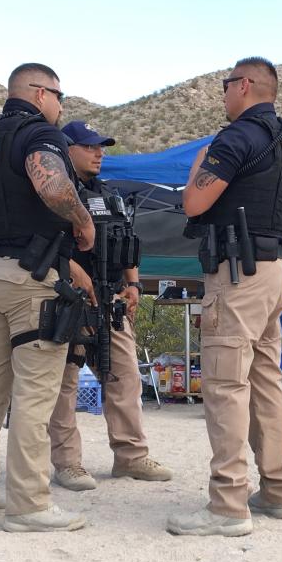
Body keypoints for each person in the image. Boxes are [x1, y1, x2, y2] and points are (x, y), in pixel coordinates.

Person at [0, 63, 96, 532]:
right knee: (36, 393)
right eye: (59, 95)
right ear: (39, 93)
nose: (60, 105)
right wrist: (82, 221)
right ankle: (29, 505)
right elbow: (52, 184)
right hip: (29, 276)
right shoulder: (39, 134)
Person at [167, 57, 282, 537]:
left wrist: (200, 161)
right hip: (274, 270)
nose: (223, 95)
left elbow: (194, 202)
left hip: (239, 274)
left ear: (244, 85)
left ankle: (227, 505)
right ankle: (278, 491)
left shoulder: (238, 137)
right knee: (266, 381)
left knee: (226, 385)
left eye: (226, 86)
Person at [46, 120, 173, 490]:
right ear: (68, 149)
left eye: (101, 146)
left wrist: (134, 284)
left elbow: (127, 242)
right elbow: (46, 246)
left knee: (125, 378)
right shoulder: (53, 192)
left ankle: (131, 457)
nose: (99, 152)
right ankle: (68, 464)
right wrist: (76, 279)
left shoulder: (110, 194)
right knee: (65, 385)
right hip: (69, 300)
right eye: (90, 146)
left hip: (112, 301)